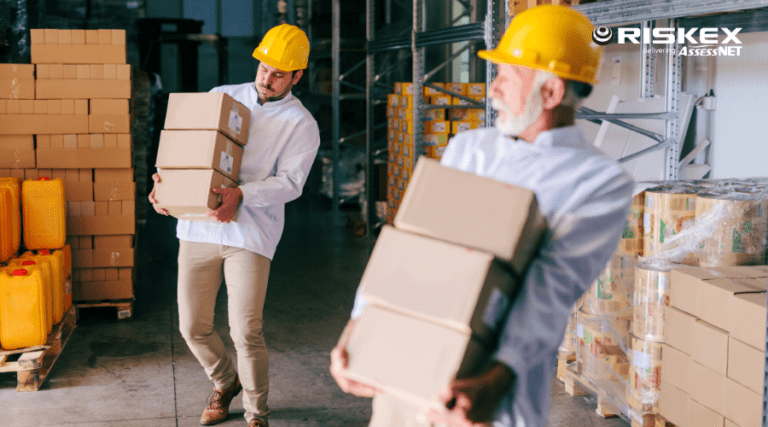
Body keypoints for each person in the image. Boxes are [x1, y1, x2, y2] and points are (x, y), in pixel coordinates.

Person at [330, 5, 634, 427]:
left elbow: (549, 290)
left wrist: (496, 376)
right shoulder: (470, 149)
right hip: (406, 360)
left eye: (507, 79)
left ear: (551, 93)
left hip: (487, 390)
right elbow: (411, 244)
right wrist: (359, 326)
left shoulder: (598, 180)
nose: (492, 90)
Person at [149, 24, 320, 427]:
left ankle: (257, 412)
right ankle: (225, 382)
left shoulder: (301, 124)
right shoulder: (221, 97)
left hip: (249, 232)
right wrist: (164, 183)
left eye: (279, 74)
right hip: (198, 227)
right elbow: (183, 146)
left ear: (297, 76)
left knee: (245, 331)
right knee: (192, 327)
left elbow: (291, 183)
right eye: (264, 68)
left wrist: (241, 195)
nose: (267, 78)